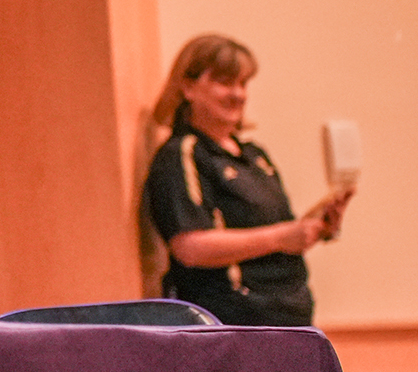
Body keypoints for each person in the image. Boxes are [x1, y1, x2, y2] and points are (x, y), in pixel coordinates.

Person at [142, 34, 353, 326]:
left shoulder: (255, 156)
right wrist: (281, 237)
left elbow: (277, 235)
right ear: (188, 87)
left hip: (290, 316)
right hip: (234, 324)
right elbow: (190, 247)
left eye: (243, 84)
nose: (238, 94)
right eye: (224, 82)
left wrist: (317, 226)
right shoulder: (183, 154)